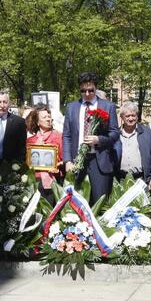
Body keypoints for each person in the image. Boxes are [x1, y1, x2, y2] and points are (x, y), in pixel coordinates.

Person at [62, 72, 119, 204]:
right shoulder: (71, 108)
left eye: (90, 90)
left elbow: (115, 133)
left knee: (99, 202)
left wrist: (99, 140)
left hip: (99, 160)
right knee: (75, 202)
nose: (87, 94)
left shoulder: (108, 106)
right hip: (77, 161)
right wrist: (67, 160)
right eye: (83, 91)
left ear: (96, 88)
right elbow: (67, 135)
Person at [114, 102, 151, 191]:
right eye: (127, 116)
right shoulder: (115, 134)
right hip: (120, 180)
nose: (131, 118)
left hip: (141, 180)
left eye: (133, 115)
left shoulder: (147, 133)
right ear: (122, 117)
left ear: (137, 116)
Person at [26, 105, 63, 202]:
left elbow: (66, 159)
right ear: (37, 122)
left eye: (49, 116)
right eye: (44, 117)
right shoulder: (30, 141)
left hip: (54, 181)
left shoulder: (59, 137)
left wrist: (58, 165)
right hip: (35, 182)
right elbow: (26, 163)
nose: (48, 119)